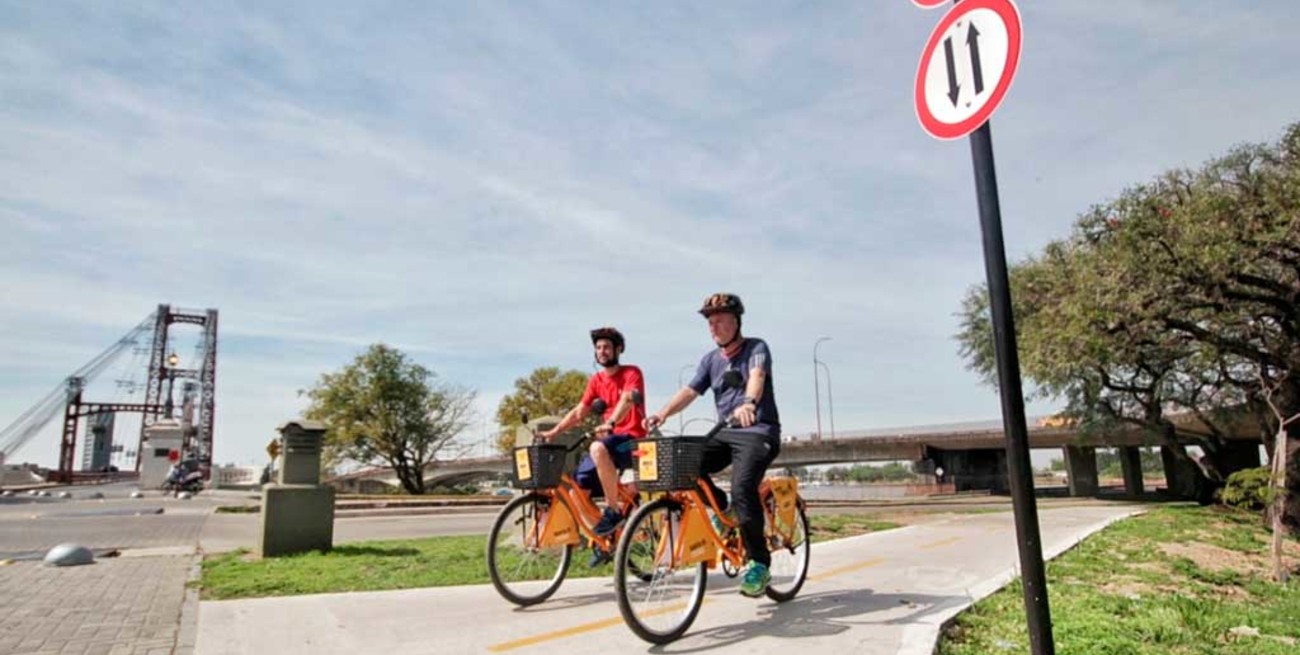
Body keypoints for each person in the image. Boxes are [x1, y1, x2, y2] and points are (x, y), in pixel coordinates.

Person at [645, 292, 781, 597]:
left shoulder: (756, 348)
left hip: (758, 431)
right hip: (725, 432)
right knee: (682, 463)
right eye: (710, 321)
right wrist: (662, 413)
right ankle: (724, 509)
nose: (714, 326)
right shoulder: (710, 360)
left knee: (743, 487)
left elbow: (756, 376)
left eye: (720, 319)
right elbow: (691, 391)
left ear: (736, 321)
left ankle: (759, 564)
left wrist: (749, 402)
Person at [540, 326, 647, 565]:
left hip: (632, 440)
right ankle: (604, 537)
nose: (602, 351)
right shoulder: (596, 380)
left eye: (607, 347)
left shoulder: (632, 372)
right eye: (598, 348)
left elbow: (627, 399)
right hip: (608, 441)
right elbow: (580, 411)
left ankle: (613, 511)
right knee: (576, 491)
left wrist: (610, 422)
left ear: (618, 349)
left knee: (598, 448)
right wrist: (555, 432)